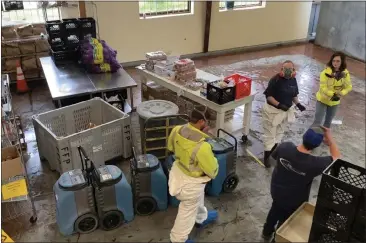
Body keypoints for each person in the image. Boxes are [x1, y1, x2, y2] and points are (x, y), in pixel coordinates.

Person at [262, 126, 340, 241]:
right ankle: (277, 239)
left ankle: (266, 232)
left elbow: (272, 161)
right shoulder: (315, 164)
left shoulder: (285, 146)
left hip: (276, 191)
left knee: (275, 209)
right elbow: (337, 157)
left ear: (303, 137)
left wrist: (287, 170)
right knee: (286, 220)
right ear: (317, 145)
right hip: (295, 200)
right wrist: (330, 140)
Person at [167, 106, 219, 243]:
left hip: (178, 171)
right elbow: (213, 171)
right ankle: (178, 239)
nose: (208, 126)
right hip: (191, 184)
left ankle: (200, 218)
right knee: (187, 210)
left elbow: (170, 147)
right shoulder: (202, 147)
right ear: (201, 122)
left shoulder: (177, 129)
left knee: (198, 198)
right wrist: (212, 158)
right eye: (207, 123)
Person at [262, 60, 306, 168]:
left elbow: (294, 95)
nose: (287, 71)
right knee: (270, 135)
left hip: (285, 112)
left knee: (279, 133)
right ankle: (266, 158)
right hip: (272, 112)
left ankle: (273, 153)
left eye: (290, 69)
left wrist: (298, 104)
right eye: (285, 69)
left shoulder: (293, 80)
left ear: (293, 70)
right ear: (281, 69)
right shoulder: (275, 80)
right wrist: (279, 104)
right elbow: (268, 96)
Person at [313, 52, 352, 128]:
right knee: (317, 121)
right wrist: (333, 94)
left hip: (334, 102)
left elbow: (349, 87)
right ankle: (311, 138)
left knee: (328, 123)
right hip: (322, 100)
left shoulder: (345, 74)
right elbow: (323, 87)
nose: (335, 63)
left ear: (342, 62)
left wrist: (341, 93)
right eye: (334, 61)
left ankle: (324, 138)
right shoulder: (325, 73)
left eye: (338, 61)